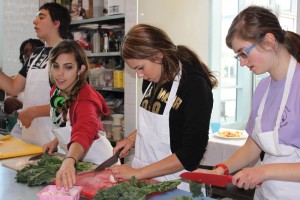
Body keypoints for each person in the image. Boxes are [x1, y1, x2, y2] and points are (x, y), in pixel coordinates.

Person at [194, 6, 300, 200]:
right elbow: (253, 144)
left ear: (268, 41)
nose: (242, 63)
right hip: (267, 194)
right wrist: (222, 169)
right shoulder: (262, 89)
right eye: (238, 56)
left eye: (243, 53)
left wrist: (263, 172)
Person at [110, 24, 217, 191]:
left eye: (140, 68)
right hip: (146, 182)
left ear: (158, 55)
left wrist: (137, 173)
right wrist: (132, 139)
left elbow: (191, 154)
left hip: (177, 185)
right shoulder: (151, 79)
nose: (139, 75)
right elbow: (161, 125)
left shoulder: (194, 85)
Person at [43, 40, 114, 191]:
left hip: (98, 165)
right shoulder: (56, 91)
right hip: (75, 161)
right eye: (55, 66)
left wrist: (69, 159)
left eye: (68, 67)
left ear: (80, 69)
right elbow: (68, 124)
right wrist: (56, 141)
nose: (60, 73)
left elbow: (83, 129)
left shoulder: (86, 99)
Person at [0, 2, 71, 146]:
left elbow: (69, 102)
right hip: (31, 137)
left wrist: (33, 112)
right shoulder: (36, 54)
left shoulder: (69, 53)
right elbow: (14, 87)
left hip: (56, 139)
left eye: (41, 17)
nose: (34, 21)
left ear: (56, 23)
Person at [3, 38, 44, 133]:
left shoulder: (49, 79)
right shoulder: (13, 80)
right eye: (25, 51)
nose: (29, 54)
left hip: (42, 133)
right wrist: (7, 104)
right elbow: (7, 113)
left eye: (33, 51)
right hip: (17, 134)